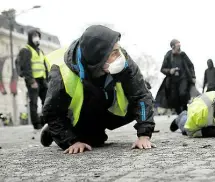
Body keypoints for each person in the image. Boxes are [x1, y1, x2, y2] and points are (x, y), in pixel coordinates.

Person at [40, 25, 156, 154]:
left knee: (97, 139)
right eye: (114, 53)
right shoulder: (61, 74)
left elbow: (141, 95)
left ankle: (80, 130)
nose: (120, 56)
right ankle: (57, 130)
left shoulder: (124, 61)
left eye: (118, 50)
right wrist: (71, 141)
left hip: (107, 107)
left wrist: (144, 135)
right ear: (98, 59)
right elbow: (52, 112)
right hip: (83, 112)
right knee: (91, 140)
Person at [17, 29, 48, 130]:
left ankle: (45, 121)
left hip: (43, 80)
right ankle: (36, 124)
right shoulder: (26, 50)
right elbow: (26, 67)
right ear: (30, 37)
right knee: (34, 102)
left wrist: (47, 79)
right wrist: (31, 81)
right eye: (34, 35)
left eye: (38, 35)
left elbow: (44, 66)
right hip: (33, 80)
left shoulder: (40, 51)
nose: (36, 37)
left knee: (47, 101)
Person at [157, 39, 196, 114]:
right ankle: (180, 114)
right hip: (172, 80)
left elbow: (191, 65)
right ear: (173, 46)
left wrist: (193, 76)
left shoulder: (183, 54)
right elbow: (162, 69)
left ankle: (185, 111)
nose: (179, 46)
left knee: (183, 94)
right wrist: (170, 71)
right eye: (177, 44)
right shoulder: (168, 55)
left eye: (179, 44)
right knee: (174, 98)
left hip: (183, 78)